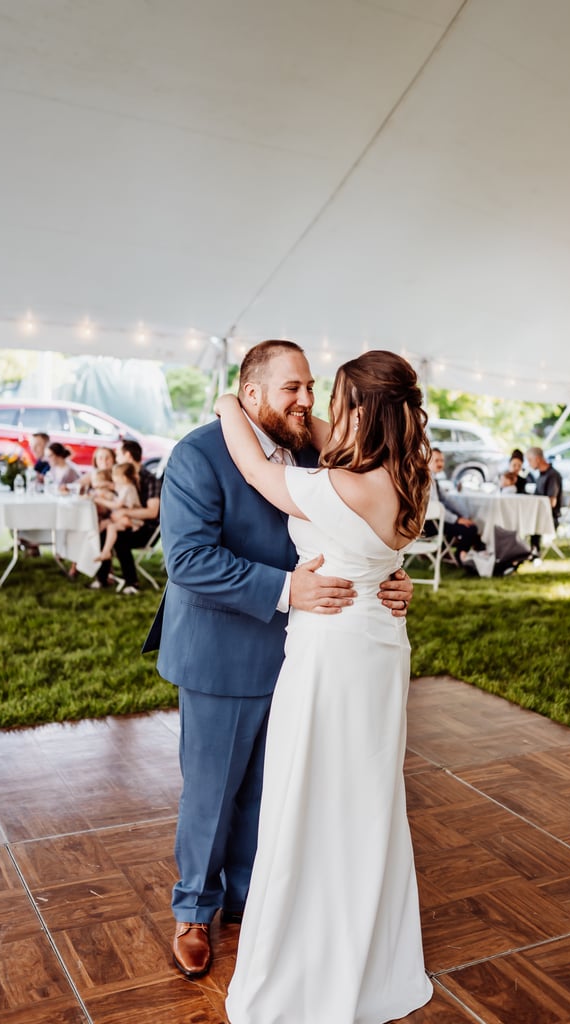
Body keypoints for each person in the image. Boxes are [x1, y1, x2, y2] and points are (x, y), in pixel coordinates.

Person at [142, 339, 415, 984]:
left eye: (311, 387)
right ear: (252, 393)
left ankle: (250, 897)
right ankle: (193, 912)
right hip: (225, 653)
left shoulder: (321, 451)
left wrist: (389, 576)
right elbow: (187, 562)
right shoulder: (198, 454)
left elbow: (367, 527)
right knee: (213, 794)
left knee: (274, 790)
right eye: (291, 387)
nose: (305, 399)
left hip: (308, 660)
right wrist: (285, 589)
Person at [217, 348, 433, 1023]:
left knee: (307, 790)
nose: (322, 408)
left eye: (335, 396)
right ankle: (369, 950)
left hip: (331, 649)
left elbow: (255, 468)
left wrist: (230, 400)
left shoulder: (340, 486)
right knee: (364, 794)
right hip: (378, 639)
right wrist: (295, 405)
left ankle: (309, 958)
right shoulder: (408, 476)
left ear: (361, 408)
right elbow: (324, 444)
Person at [90, 439, 161, 593]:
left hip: (147, 529)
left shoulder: (150, 480)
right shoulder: (121, 476)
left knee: (120, 538)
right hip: (128, 522)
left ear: (128, 455)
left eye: (118, 454)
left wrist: (124, 512)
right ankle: (103, 578)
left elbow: (152, 512)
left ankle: (131, 583)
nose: (115, 458)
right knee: (103, 531)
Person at [428, 447, 486, 562]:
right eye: (436, 460)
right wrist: (457, 520)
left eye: (442, 460)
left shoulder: (434, 478)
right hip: (429, 523)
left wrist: (464, 516)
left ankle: (452, 554)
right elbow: (435, 507)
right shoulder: (426, 481)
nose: (440, 463)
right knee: (470, 529)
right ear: (427, 461)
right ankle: (461, 558)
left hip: (435, 519)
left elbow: (447, 499)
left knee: (466, 523)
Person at [94, 462, 144, 561]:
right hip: (124, 518)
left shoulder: (128, 488)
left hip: (132, 519)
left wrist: (100, 500)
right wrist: (104, 485)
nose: (113, 478)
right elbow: (113, 487)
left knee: (111, 527)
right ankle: (95, 549)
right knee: (104, 524)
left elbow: (117, 505)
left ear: (124, 478)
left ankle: (106, 552)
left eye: (115, 476)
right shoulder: (124, 486)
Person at [526, 445, 563, 555]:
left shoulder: (553, 476)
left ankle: (534, 551)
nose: (528, 463)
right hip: (537, 513)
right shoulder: (541, 475)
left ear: (537, 459)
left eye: (529, 460)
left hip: (549, 517)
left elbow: (552, 502)